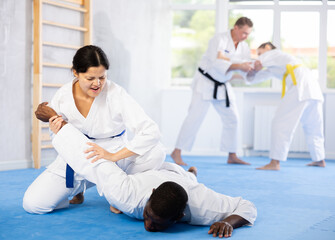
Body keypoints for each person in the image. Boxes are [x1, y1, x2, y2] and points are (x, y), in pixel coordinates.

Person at [34, 103, 257, 237]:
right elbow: (92, 159)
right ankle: (188, 173)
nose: (149, 226)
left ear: (179, 216)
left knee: (187, 179)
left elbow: (246, 206)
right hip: (148, 172)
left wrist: (229, 222)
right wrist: (55, 119)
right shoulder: (128, 196)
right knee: (122, 166)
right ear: (150, 197)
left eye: (158, 223)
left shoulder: (202, 207)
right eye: (149, 216)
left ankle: (190, 174)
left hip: (181, 181)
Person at [23, 45, 166, 214]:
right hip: (77, 157)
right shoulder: (63, 95)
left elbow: (151, 131)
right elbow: (60, 134)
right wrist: (55, 129)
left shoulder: (116, 94)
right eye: (90, 78)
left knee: (157, 152)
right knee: (34, 204)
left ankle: (117, 194)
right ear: (75, 72)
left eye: (102, 77)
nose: (97, 84)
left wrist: (113, 156)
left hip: (114, 158)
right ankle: (80, 189)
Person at [171, 17, 254, 166]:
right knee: (194, 117)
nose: (245, 37)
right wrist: (239, 66)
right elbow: (218, 63)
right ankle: (176, 152)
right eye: (243, 33)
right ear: (235, 28)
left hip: (222, 85)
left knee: (233, 118)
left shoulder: (244, 47)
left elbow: (245, 67)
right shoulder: (219, 39)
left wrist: (249, 69)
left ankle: (232, 154)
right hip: (206, 82)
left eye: (248, 34)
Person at [246, 42, 326, 170]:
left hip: (299, 86)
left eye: (260, 53)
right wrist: (248, 74)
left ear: (267, 47)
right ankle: (319, 159)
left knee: (280, 122)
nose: (259, 56)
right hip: (312, 88)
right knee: (313, 125)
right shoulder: (276, 65)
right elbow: (252, 79)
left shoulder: (275, 53)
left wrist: (242, 65)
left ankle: (275, 162)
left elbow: (258, 64)